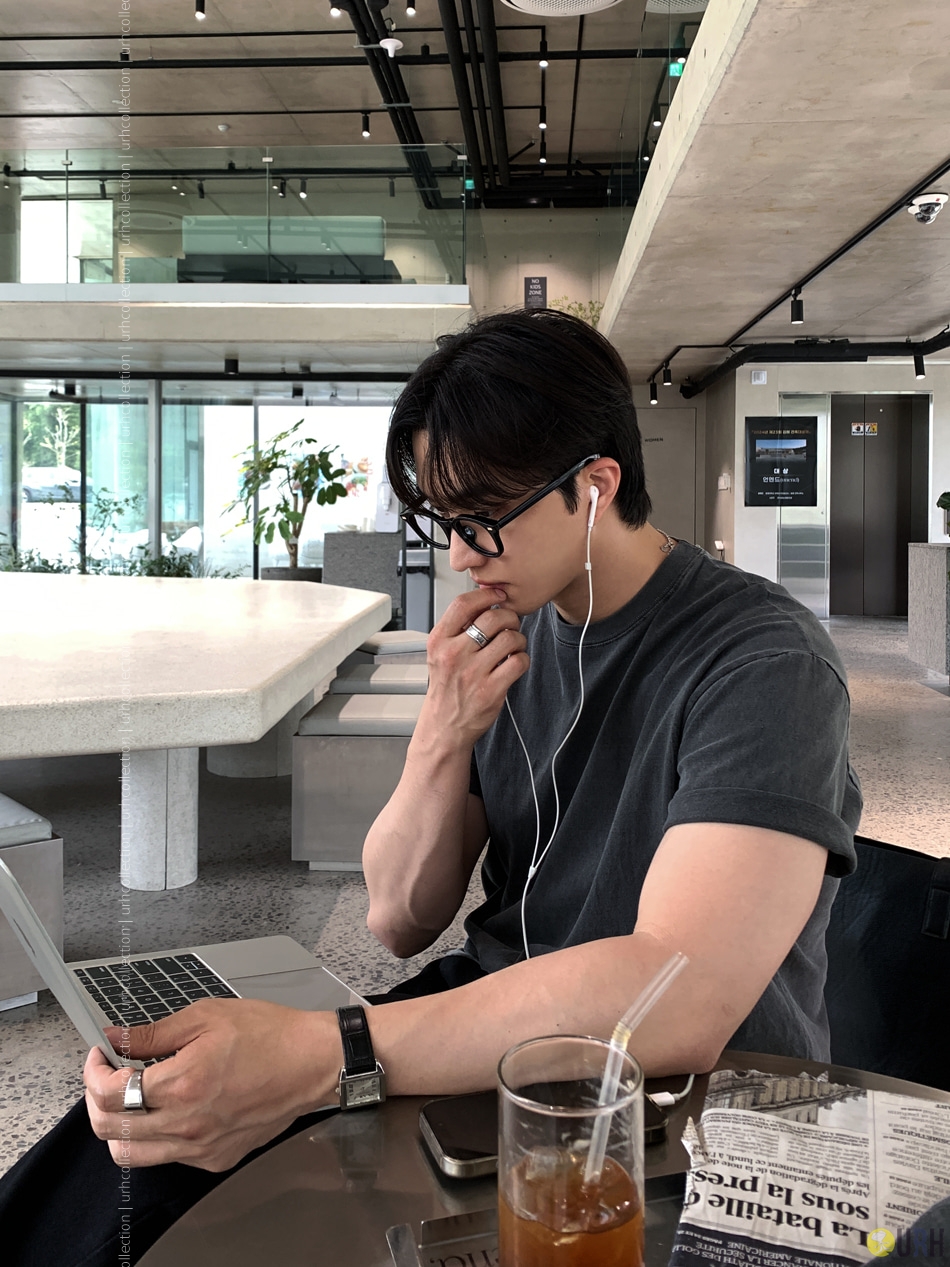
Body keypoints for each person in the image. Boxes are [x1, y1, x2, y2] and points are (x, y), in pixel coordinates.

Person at [0, 308, 861, 1265]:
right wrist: (442, 732)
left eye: (481, 519)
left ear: (594, 485)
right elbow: (398, 916)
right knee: (133, 1145)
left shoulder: (762, 661)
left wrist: (329, 1052)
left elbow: (676, 997)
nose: (459, 555)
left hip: (680, 1105)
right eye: (444, 522)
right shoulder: (515, 636)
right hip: (493, 1039)